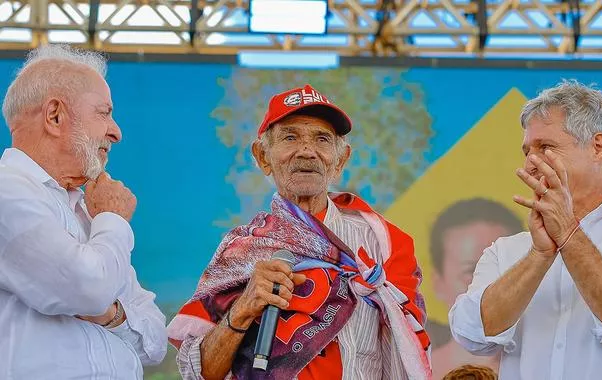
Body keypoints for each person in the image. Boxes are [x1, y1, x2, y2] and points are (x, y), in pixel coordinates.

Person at [168, 84, 431, 379]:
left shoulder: (383, 242)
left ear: (340, 160)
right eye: (290, 137)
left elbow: (411, 354)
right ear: (263, 157)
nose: (307, 151)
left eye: (322, 139)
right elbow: (199, 372)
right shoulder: (241, 251)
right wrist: (244, 308)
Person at [0, 45, 167, 379]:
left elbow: (156, 342)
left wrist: (110, 316)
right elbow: (89, 288)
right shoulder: (8, 191)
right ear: (55, 116)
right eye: (103, 113)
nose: (116, 132)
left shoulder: (88, 213)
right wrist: (114, 219)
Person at [449, 80, 602, 379]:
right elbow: (472, 334)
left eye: (546, 147)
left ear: (597, 147)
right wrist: (538, 256)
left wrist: (569, 235)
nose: (531, 163)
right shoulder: (508, 250)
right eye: (527, 151)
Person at [428, 199, 522, 379]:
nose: (490, 284)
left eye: (503, 267)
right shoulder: (417, 372)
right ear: (438, 282)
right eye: (471, 270)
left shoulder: (551, 364)